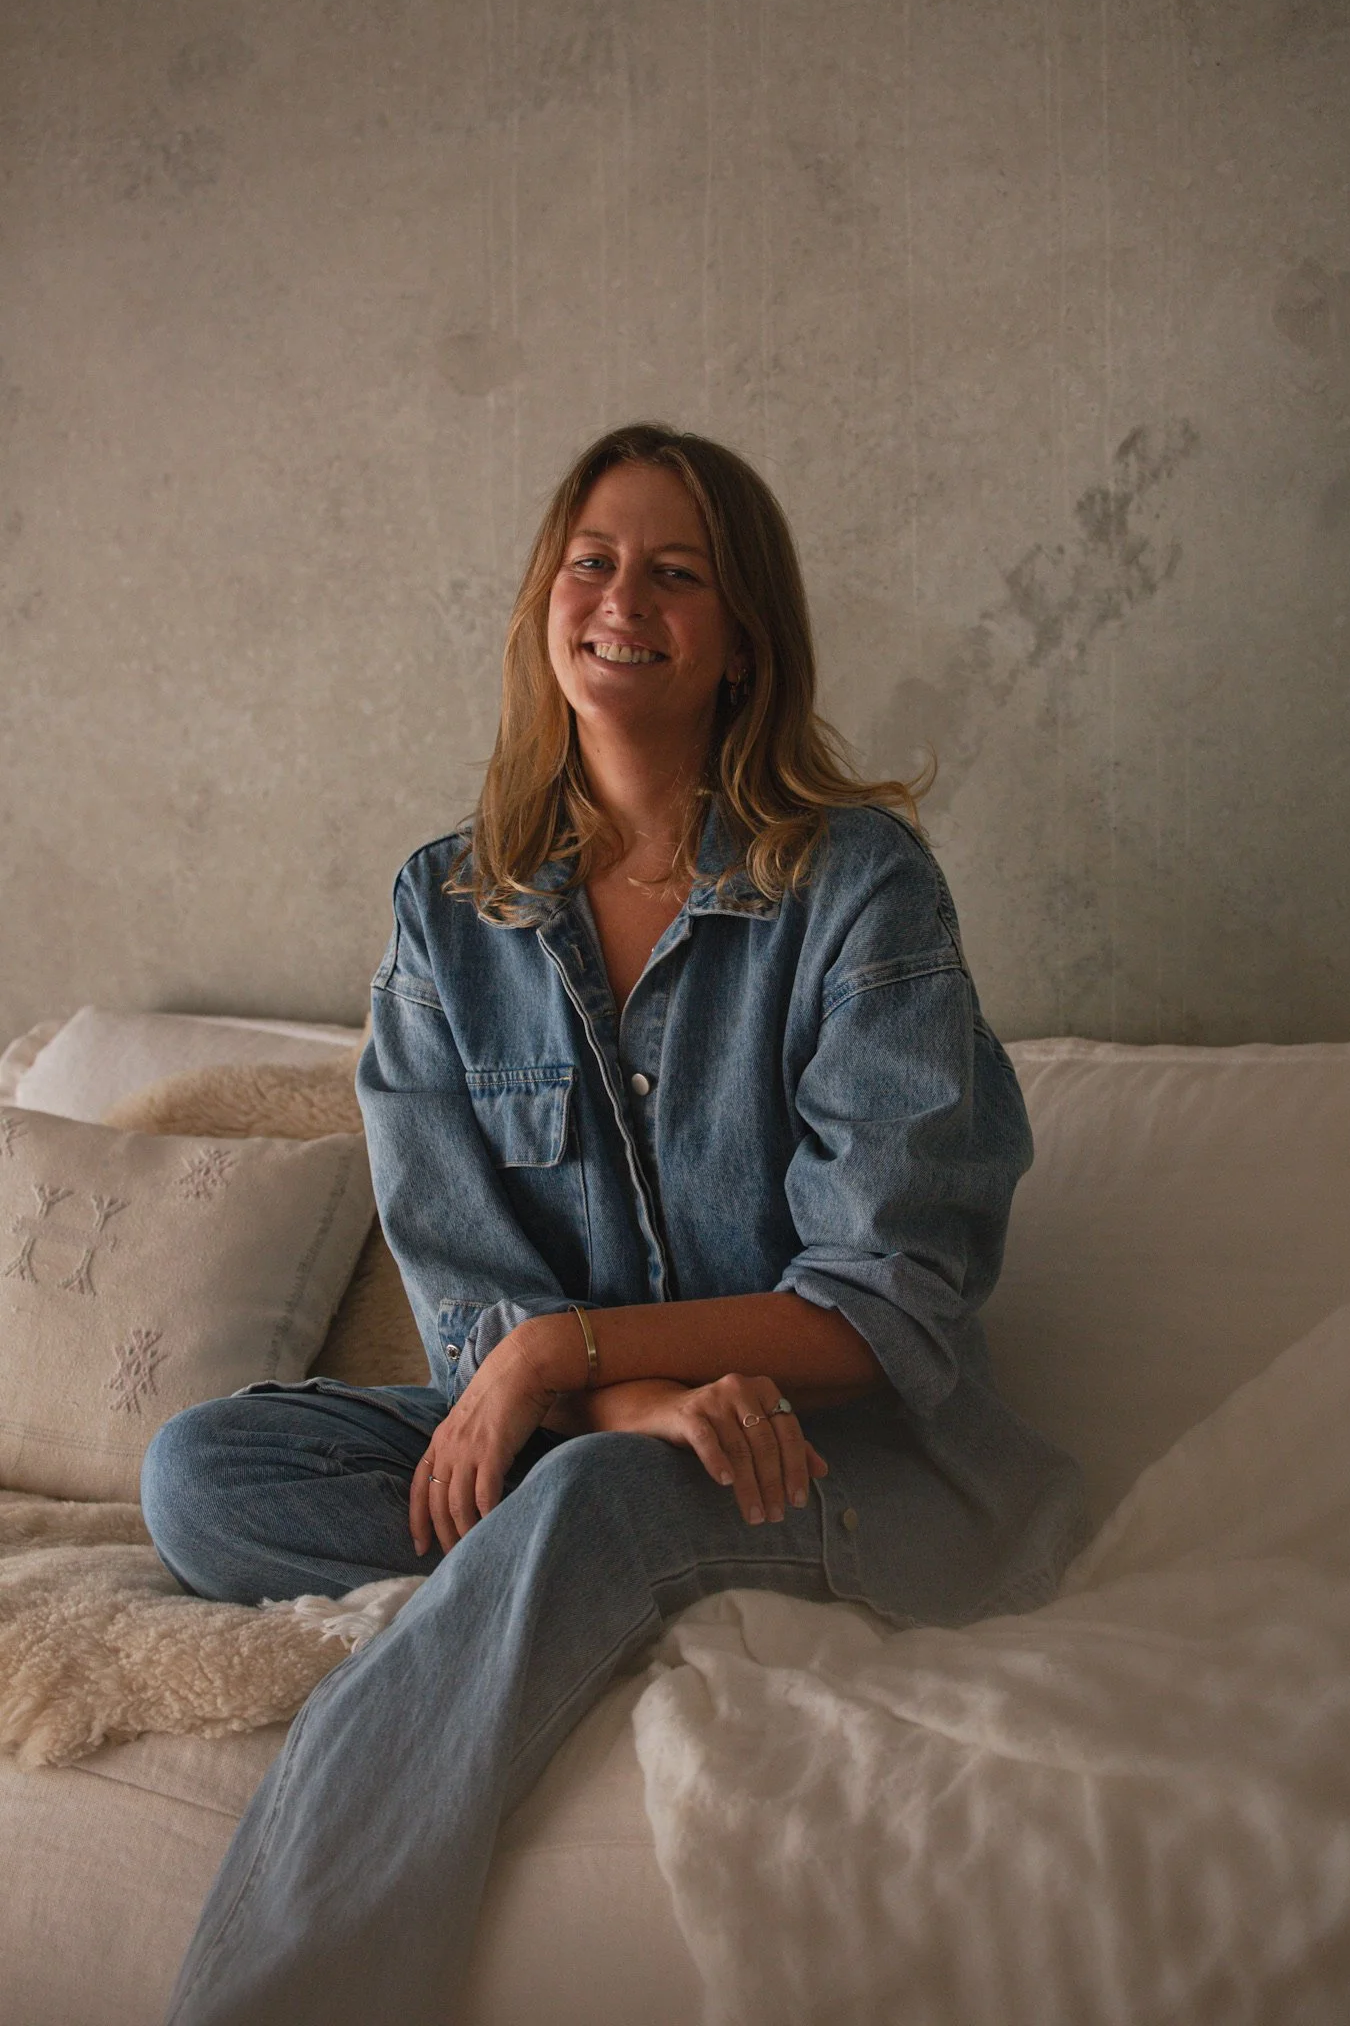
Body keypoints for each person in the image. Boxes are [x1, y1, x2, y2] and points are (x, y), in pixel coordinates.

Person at [141, 422, 1087, 2025]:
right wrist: (623, 1398)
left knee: (584, 1493)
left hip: (857, 1473)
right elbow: (466, 1306)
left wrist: (571, 1363)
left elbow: (884, 1311)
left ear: (741, 642)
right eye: (591, 560)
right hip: (590, 1439)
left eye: (675, 570)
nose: (621, 596)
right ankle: (590, 1574)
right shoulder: (449, 911)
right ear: (542, 606)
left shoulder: (861, 887)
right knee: (206, 1475)